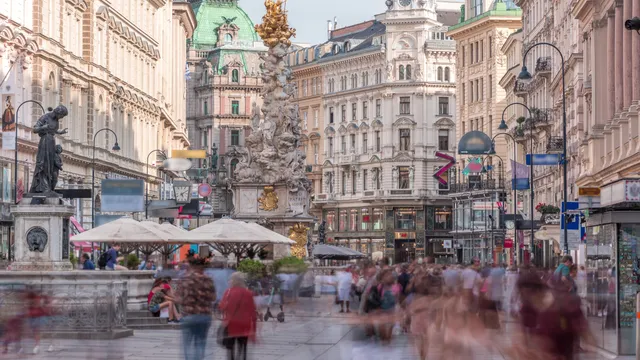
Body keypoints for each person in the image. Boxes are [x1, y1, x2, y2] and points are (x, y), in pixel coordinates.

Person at [178, 257, 216, 360]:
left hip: (188, 315)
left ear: (191, 266)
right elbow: (213, 298)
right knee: (200, 343)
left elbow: (180, 298)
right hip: (204, 316)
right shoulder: (208, 279)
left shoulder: (185, 278)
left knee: (187, 345)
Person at [220, 272, 257, 360]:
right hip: (244, 324)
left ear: (234, 281)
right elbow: (252, 310)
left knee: (230, 348)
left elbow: (222, 306)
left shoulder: (228, 292)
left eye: (230, 279)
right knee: (243, 346)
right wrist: (254, 328)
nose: (229, 281)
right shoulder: (248, 293)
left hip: (231, 323)